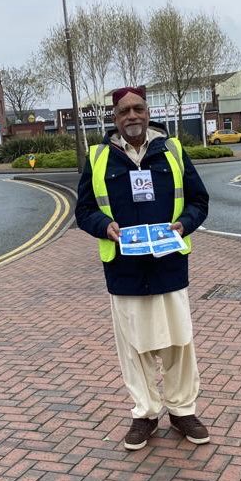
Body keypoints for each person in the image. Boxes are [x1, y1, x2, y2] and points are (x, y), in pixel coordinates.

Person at [76, 85, 211, 451]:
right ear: (114, 118)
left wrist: (184, 223)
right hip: (124, 269)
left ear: (148, 112)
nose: (132, 116)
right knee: (134, 347)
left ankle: (182, 410)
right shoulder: (100, 157)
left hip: (169, 264)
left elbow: (199, 200)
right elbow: (84, 210)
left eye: (138, 108)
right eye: (124, 111)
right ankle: (146, 413)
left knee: (179, 343)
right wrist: (104, 227)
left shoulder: (172, 150)